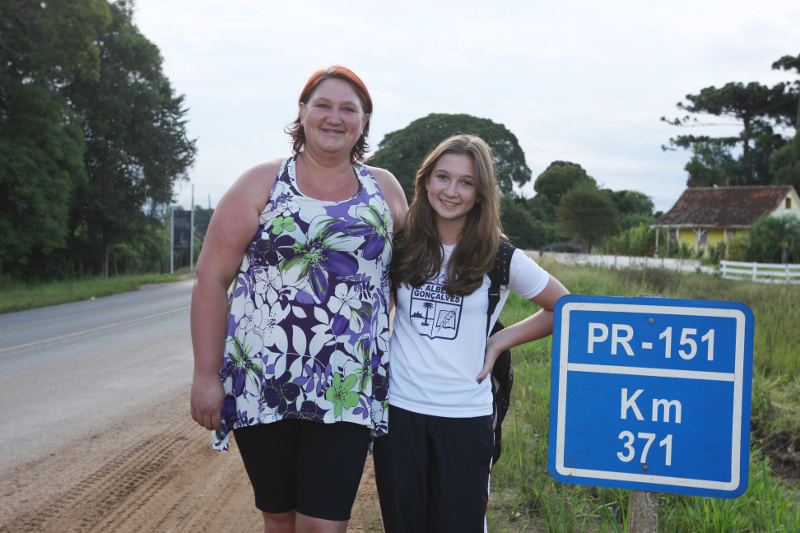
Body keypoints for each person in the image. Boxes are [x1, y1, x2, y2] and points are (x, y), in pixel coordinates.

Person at [190, 66, 408, 533]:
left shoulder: (384, 189)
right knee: (279, 518)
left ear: (364, 121)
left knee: (322, 525)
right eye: (323, 105)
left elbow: (422, 264)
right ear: (303, 112)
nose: (335, 117)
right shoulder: (261, 183)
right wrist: (206, 376)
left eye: (348, 108)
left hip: (348, 384)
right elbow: (211, 279)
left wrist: (486, 241)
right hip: (263, 379)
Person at [373, 135, 569, 533]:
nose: (451, 191)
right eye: (442, 177)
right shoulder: (402, 246)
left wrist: (498, 342)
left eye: (466, 182)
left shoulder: (499, 255)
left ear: (480, 193)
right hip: (399, 413)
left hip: (465, 416)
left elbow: (565, 309)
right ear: (426, 181)